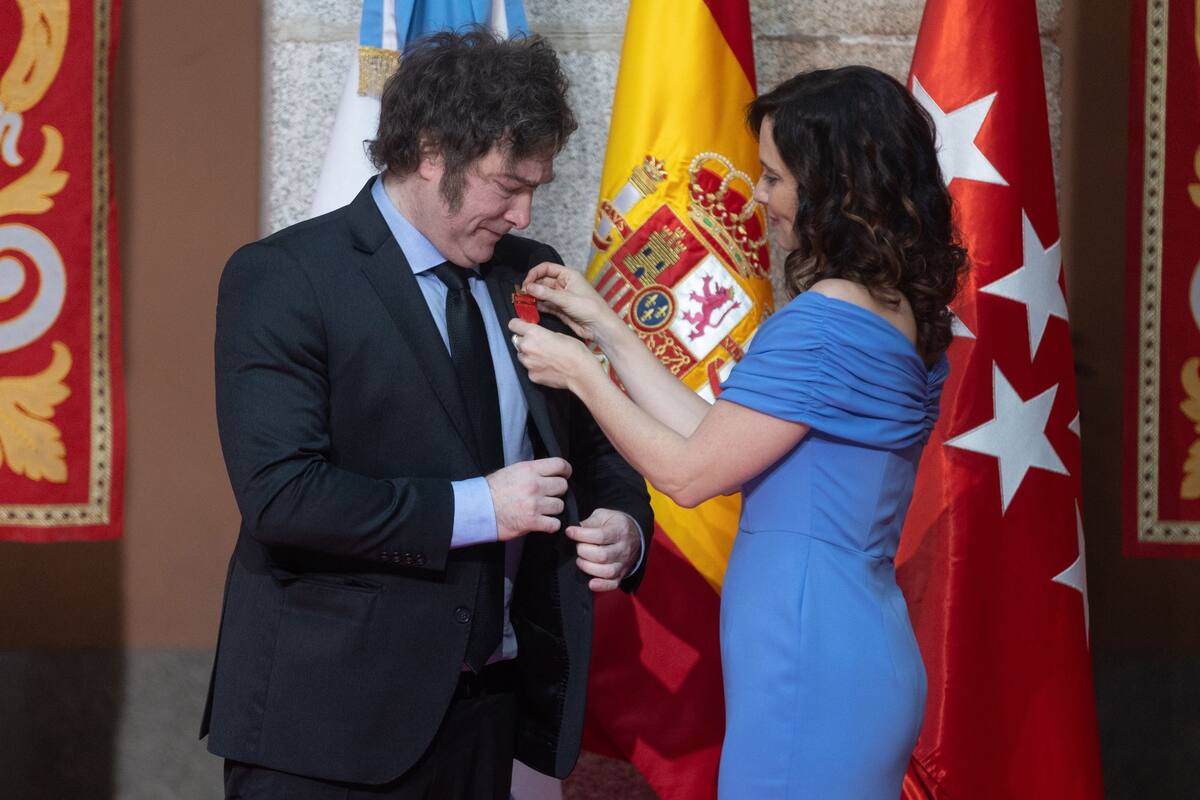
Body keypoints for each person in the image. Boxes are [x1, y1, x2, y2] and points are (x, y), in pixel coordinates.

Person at [200, 30, 652, 800]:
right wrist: (481, 507)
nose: (523, 211)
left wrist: (622, 524)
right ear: (432, 150)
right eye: (507, 185)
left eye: (535, 188)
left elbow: (593, 443)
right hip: (326, 732)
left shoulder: (528, 273)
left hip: (492, 715)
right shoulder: (285, 276)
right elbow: (282, 495)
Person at [507, 65, 968, 798]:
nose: (758, 196)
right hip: (851, 647)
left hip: (806, 663)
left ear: (835, 188)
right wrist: (608, 330)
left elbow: (689, 476)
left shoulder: (822, 321)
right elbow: (721, 438)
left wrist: (579, 375)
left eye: (774, 177)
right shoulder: (891, 309)